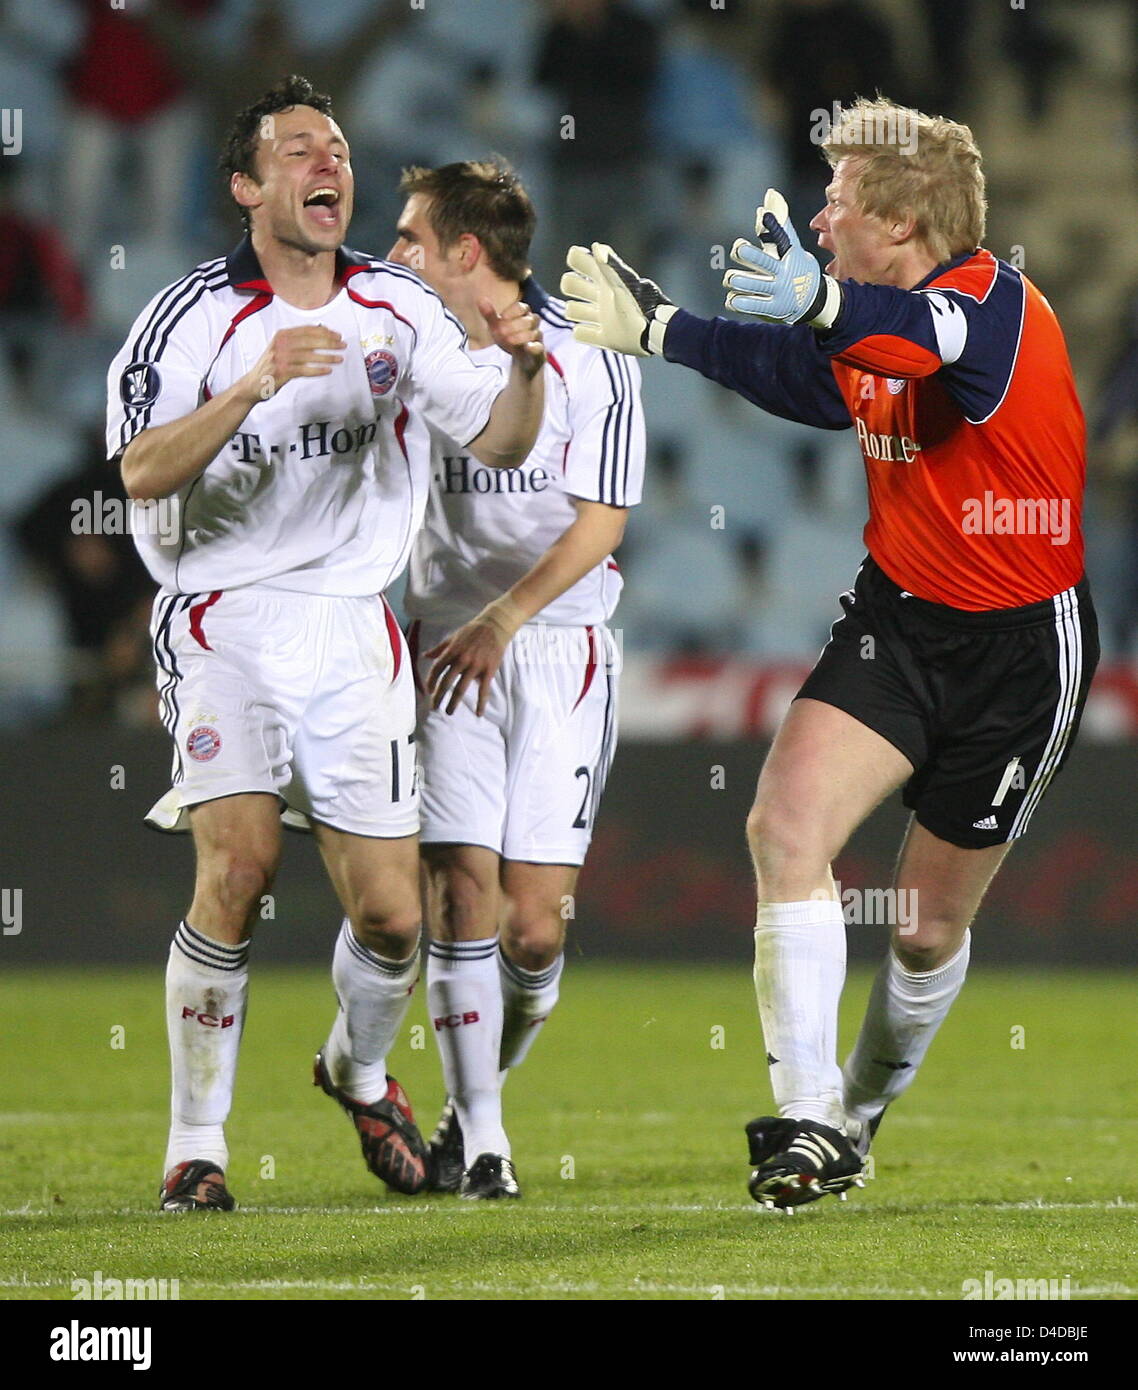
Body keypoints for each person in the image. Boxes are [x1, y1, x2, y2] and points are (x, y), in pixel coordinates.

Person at [561, 97, 1098, 1209]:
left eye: (841, 198)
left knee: (922, 928)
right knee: (782, 827)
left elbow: (924, 343)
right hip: (898, 620)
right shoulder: (869, 328)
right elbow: (817, 381)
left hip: (1020, 653)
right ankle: (805, 1121)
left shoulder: (996, 304)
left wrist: (821, 302)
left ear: (900, 221)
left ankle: (857, 1105)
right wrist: (666, 330)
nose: (819, 214)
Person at [105, 76, 545, 1212]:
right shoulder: (190, 316)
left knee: (394, 919)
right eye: (298, 150)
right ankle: (195, 1148)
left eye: (337, 148)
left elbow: (496, 439)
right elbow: (140, 471)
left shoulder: (396, 307)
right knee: (239, 869)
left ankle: (353, 1069)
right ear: (249, 186)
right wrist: (252, 385)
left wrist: (529, 366)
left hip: (355, 629)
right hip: (224, 617)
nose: (327, 165)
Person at [386, 160, 644, 1198]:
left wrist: (509, 615)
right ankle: (486, 1143)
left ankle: (465, 1099)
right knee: (462, 892)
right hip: (450, 643)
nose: (392, 253)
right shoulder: (408, 349)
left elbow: (602, 523)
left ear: (465, 252)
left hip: (559, 645)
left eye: (409, 237)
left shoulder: (594, 358)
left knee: (535, 929)